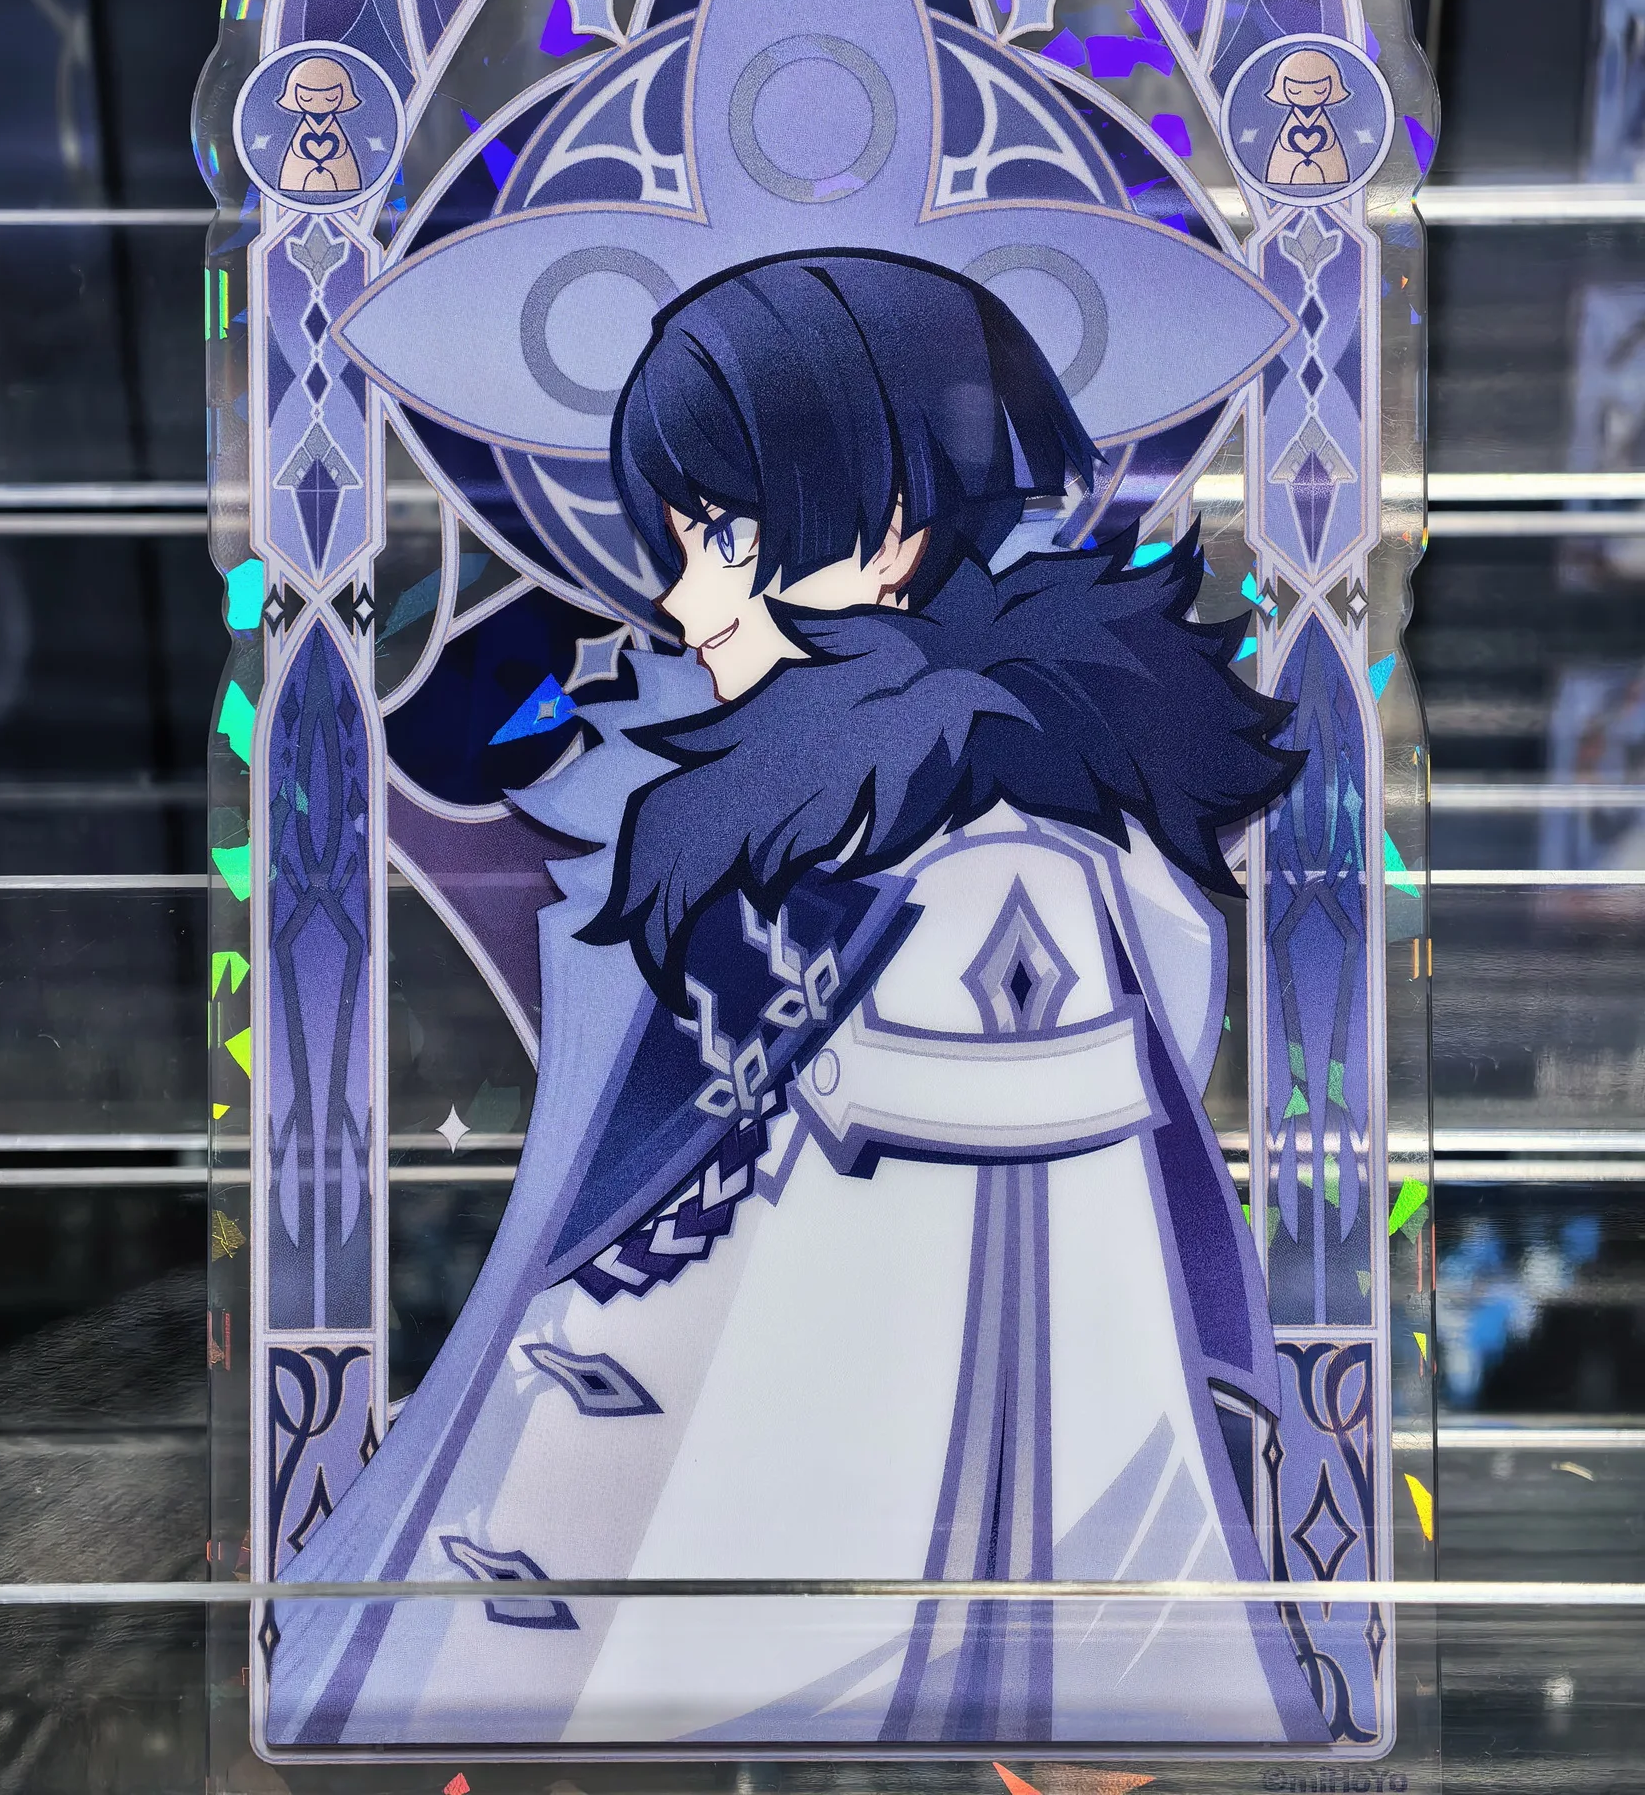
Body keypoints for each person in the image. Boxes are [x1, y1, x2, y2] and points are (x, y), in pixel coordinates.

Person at [265, 248, 1330, 1752]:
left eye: (725, 538)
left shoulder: (1001, 866)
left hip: (886, 1606)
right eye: (680, 540)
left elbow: (999, 1320)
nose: (683, 599)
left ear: (890, 533)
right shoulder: (803, 820)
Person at [1262, 48, 1352, 188]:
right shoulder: (1292, 120)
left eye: (1319, 90)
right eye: (1295, 91)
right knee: (1283, 171)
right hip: (1288, 160)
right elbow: (1285, 143)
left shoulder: (1322, 119)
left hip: (1326, 158)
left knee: (1331, 171)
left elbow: (1329, 142)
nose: (1308, 95)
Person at [276, 54, 363, 197]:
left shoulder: (334, 125)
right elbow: (297, 149)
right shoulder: (304, 125)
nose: (319, 103)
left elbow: (340, 148)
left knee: (343, 176)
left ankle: (346, 185)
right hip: (299, 166)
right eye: (307, 98)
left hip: (338, 165)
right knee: (295, 176)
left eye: (330, 98)